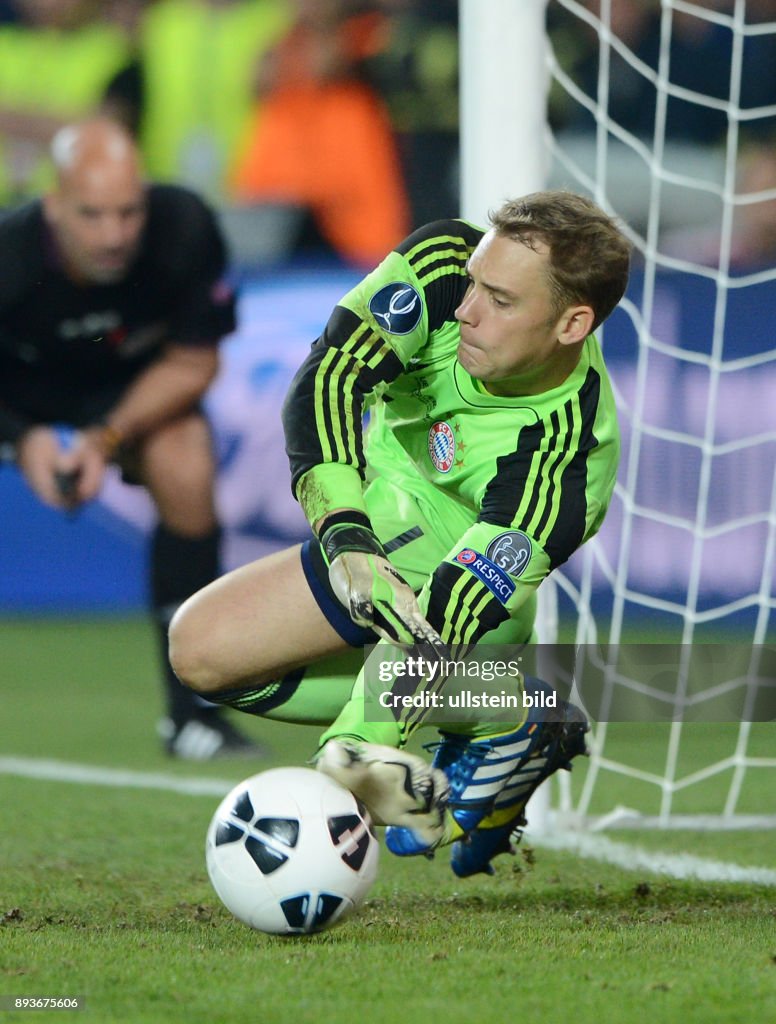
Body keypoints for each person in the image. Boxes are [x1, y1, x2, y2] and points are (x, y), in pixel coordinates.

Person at [169, 190, 632, 874]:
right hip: (376, 505)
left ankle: (497, 712)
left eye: (501, 302)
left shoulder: (564, 460)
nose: (468, 309)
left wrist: (354, 746)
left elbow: (456, 609)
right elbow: (331, 375)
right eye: (477, 281)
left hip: (453, 577)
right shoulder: (441, 265)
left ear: (572, 325)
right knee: (199, 653)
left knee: (232, 659)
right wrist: (345, 536)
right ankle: (506, 713)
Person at [0, 116, 261, 760]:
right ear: (53, 205)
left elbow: (195, 363)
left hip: (128, 394)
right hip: (18, 395)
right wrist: (23, 438)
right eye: (92, 215)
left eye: (128, 212)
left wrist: (105, 436)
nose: (114, 235)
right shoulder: (7, 256)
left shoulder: (184, 228)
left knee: (185, 461)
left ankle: (191, 715)